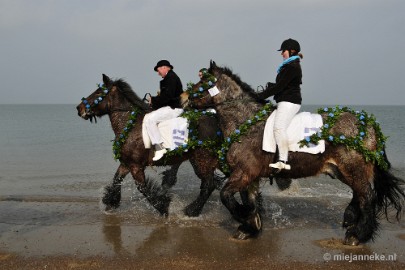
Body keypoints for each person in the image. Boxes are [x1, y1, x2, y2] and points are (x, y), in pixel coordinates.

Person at [256, 38, 303, 171]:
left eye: (283, 51)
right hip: (286, 100)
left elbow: (280, 86)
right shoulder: (288, 65)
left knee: (278, 128)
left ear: (291, 51)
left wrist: (260, 96)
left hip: (289, 101)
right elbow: (281, 85)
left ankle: (282, 160)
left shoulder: (292, 67)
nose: (281, 53)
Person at [144, 60, 184, 161]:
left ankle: (159, 147)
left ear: (164, 67)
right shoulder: (170, 77)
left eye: (158, 70)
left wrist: (153, 100)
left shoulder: (171, 78)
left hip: (174, 108)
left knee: (150, 120)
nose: (158, 73)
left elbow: (167, 97)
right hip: (170, 106)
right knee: (149, 117)